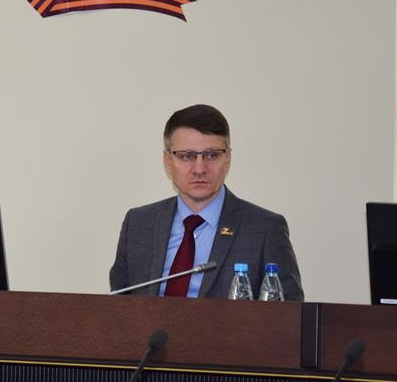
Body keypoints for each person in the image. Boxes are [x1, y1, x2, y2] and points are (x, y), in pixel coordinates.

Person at [109, 104, 303, 300]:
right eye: (187, 156)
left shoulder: (265, 229)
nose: (200, 169)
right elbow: (116, 307)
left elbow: (289, 313)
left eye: (212, 155)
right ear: (168, 161)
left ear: (227, 159)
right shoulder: (138, 224)